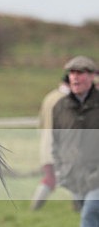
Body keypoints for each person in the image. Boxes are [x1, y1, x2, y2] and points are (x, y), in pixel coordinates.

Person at [52, 55, 99, 227]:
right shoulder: (60, 107)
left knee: (91, 211)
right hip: (74, 176)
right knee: (90, 216)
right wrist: (60, 168)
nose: (75, 77)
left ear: (92, 76)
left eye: (80, 73)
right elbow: (56, 141)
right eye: (72, 73)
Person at [30, 75, 70, 210]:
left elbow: (40, 123)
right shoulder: (66, 100)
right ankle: (34, 208)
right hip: (62, 148)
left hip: (46, 146)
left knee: (51, 178)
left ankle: (34, 209)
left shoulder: (50, 96)